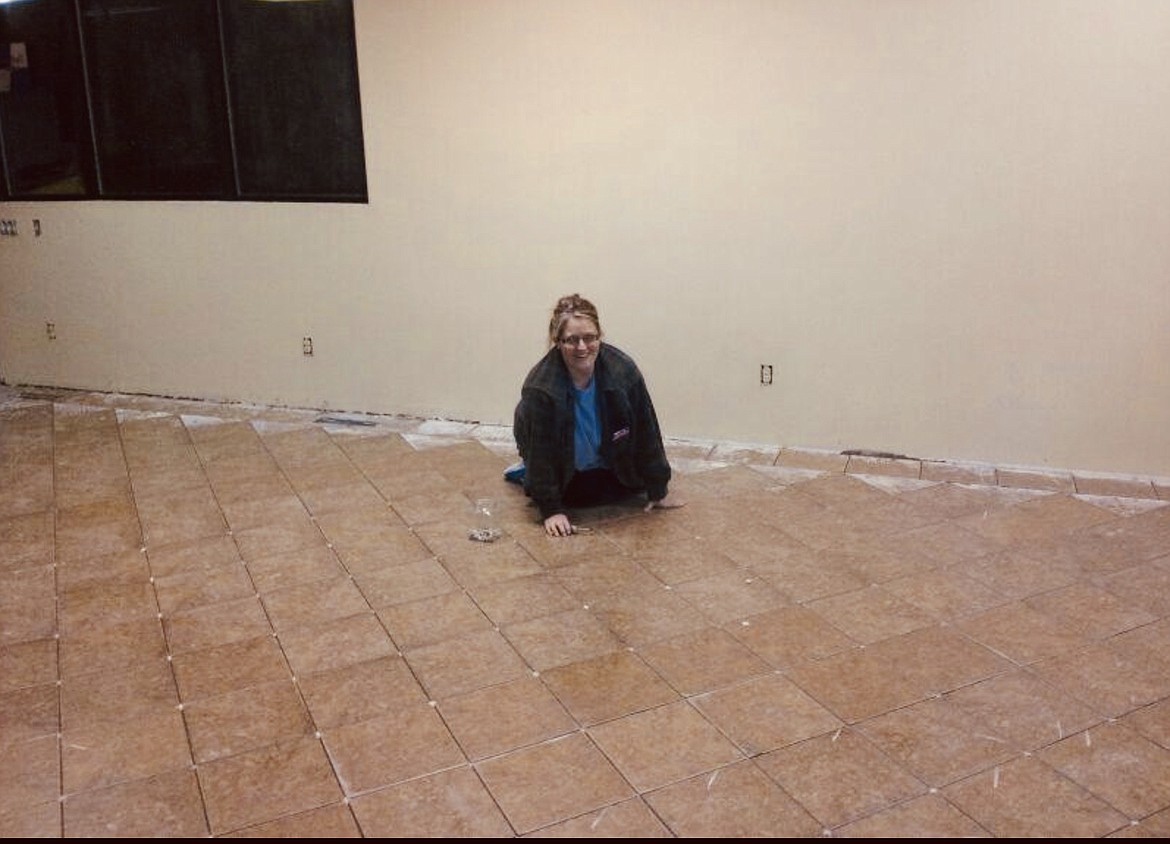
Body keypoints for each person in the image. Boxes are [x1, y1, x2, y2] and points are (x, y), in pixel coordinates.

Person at [509, 293, 684, 537]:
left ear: (600, 336)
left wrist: (658, 488)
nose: (582, 347)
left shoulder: (624, 371)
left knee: (623, 489)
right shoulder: (540, 388)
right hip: (568, 478)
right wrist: (551, 510)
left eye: (589, 338)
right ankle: (524, 473)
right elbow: (542, 452)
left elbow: (647, 431)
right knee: (548, 479)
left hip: (612, 469)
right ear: (557, 341)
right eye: (572, 340)